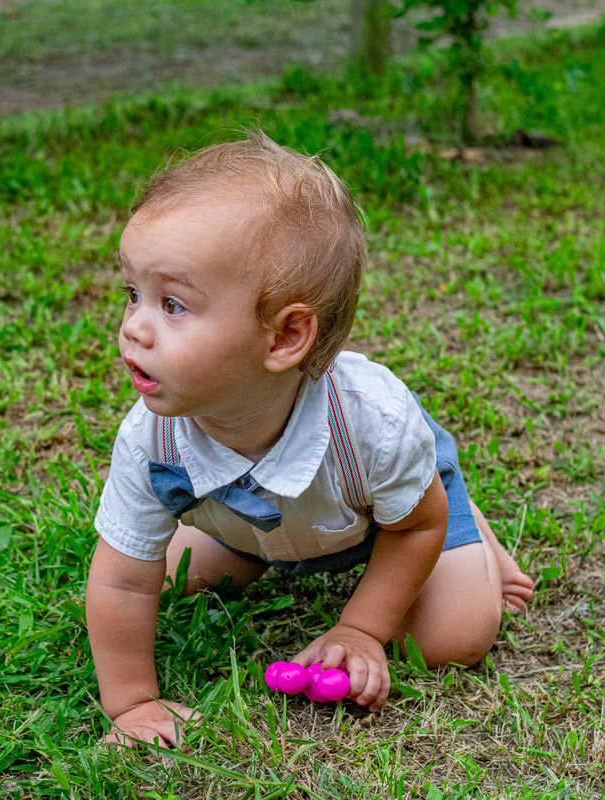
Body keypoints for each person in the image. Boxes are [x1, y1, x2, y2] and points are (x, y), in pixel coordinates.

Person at [85, 133, 534, 749]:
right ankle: (257, 547)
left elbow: (416, 528)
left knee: (452, 639)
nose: (135, 325)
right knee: (168, 577)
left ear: (284, 337)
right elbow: (119, 581)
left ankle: (474, 526)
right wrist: (133, 703)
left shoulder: (370, 421)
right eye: (133, 294)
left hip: (394, 521)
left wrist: (359, 630)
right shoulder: (150, 438)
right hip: (266, 526)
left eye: (173, 304)